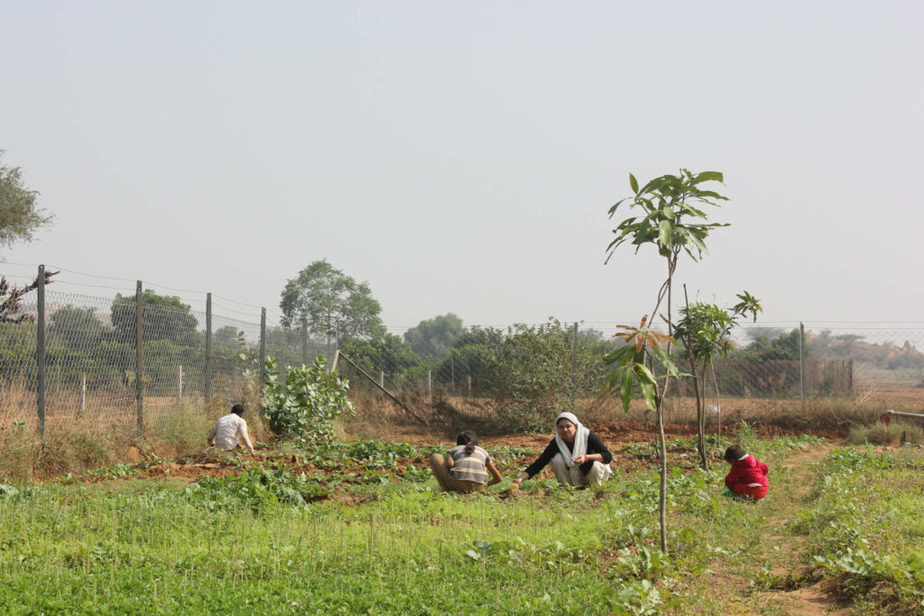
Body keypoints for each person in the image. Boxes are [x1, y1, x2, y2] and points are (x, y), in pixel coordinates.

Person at [511, 412, 613, 488]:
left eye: (568, 426)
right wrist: (519, 480)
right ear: (557, 429)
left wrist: (586, 458)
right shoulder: (557, 442)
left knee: (595, 465)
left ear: (575, 427)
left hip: (591, 474)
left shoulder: (587, 436)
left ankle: (595, 488)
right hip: (573, 477)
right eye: (561, 427)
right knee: (557, 459)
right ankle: (568, 488)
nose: (565, 430)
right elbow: (540, 463)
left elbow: (607, 456)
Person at [430, 430, 502, 493]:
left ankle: (445, 489)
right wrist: (484, 485)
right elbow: (498, 478)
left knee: (435, 456)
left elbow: (450, 464)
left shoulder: (454, 449)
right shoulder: (483, 452)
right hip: (478, 488)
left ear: (458, 442)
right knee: (482, 465)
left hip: (457, 486)